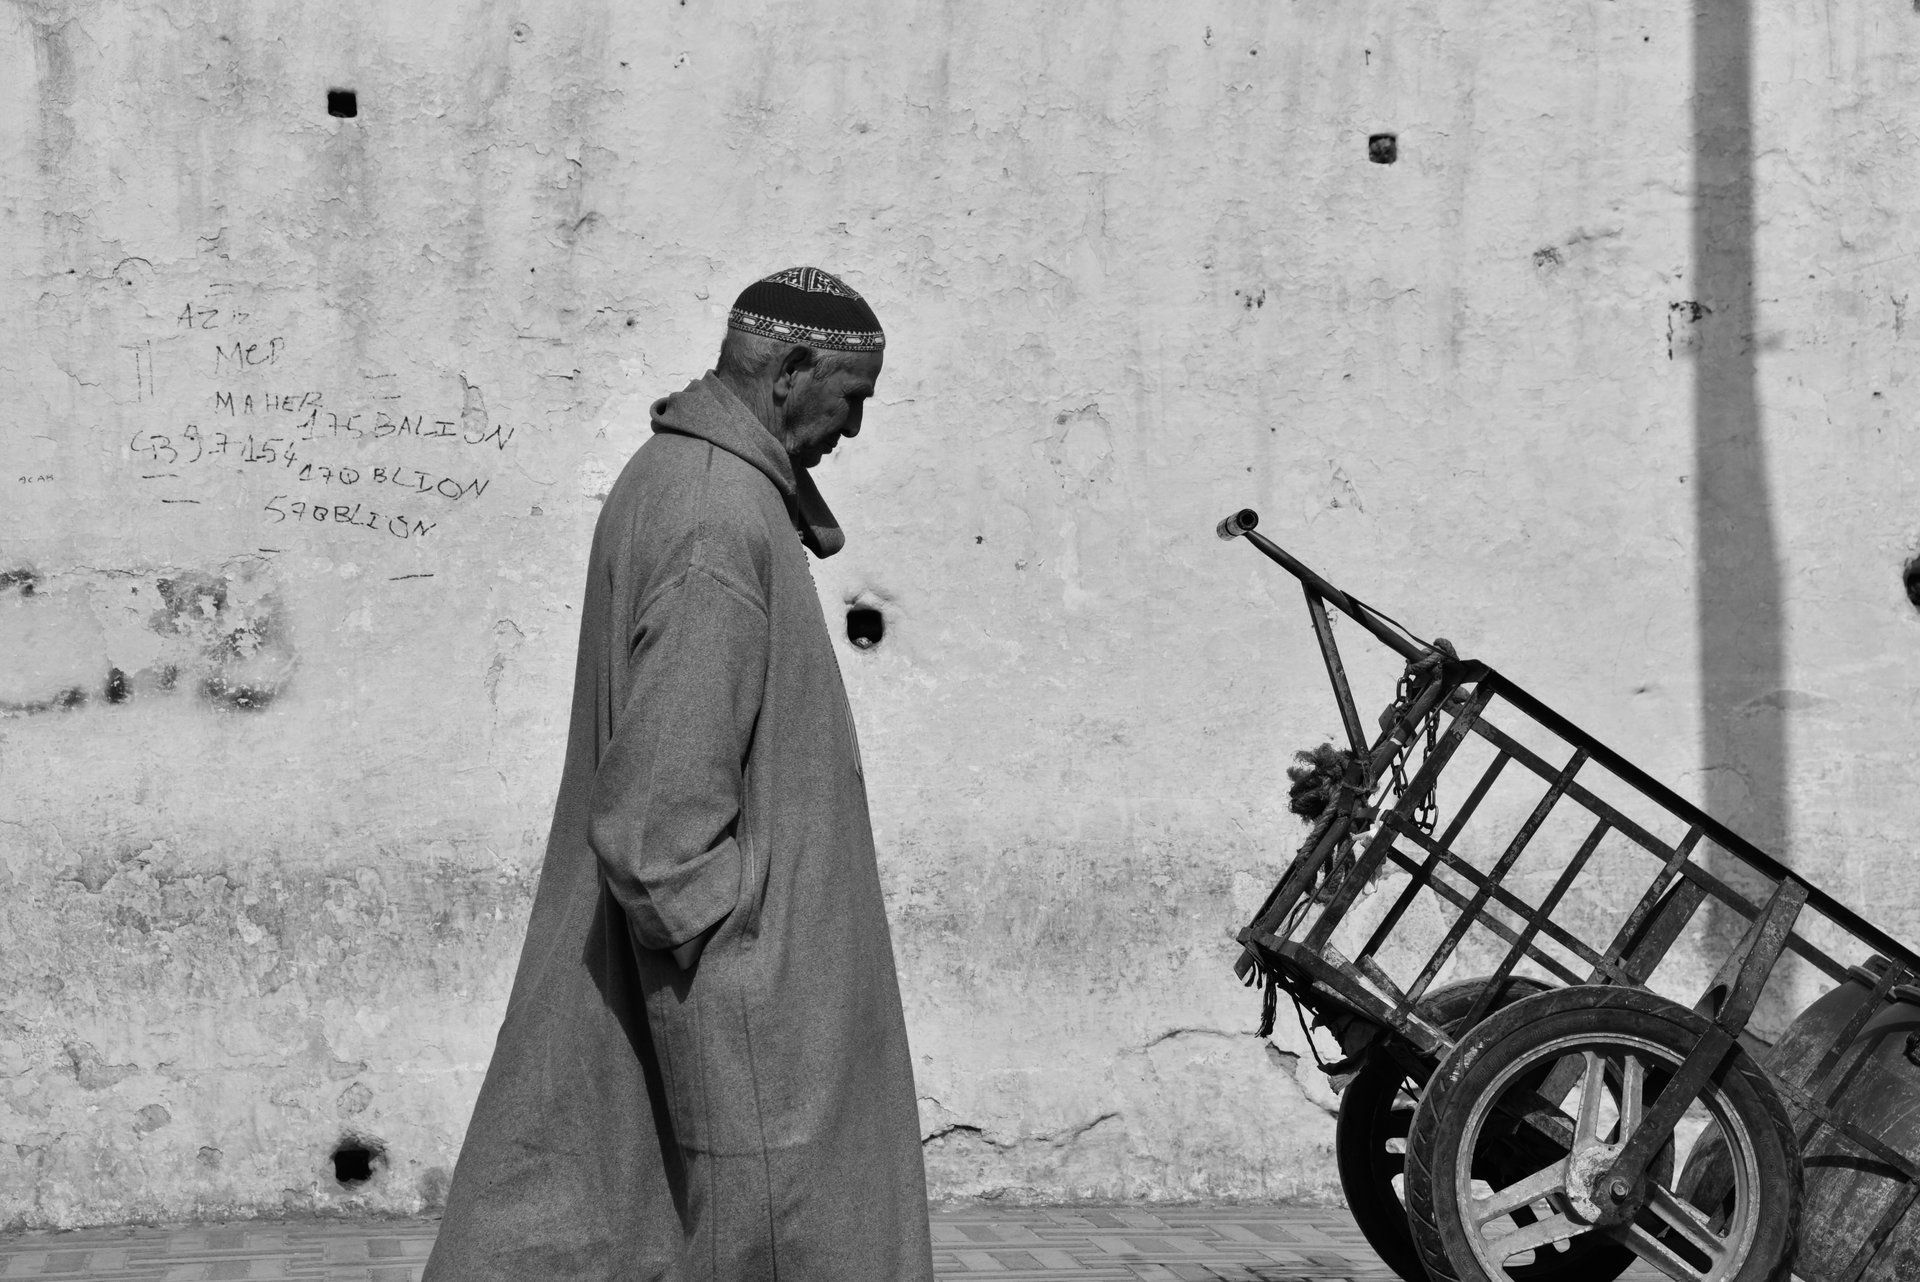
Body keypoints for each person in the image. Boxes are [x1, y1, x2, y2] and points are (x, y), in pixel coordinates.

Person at [424, 267, 935, 1281]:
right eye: (852, 399)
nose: (854, 429)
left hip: (739, 997)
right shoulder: (715, 515)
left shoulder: (690, 483)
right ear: (792, 371)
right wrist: (749, 954)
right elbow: (660, 825)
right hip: (751, 1021)